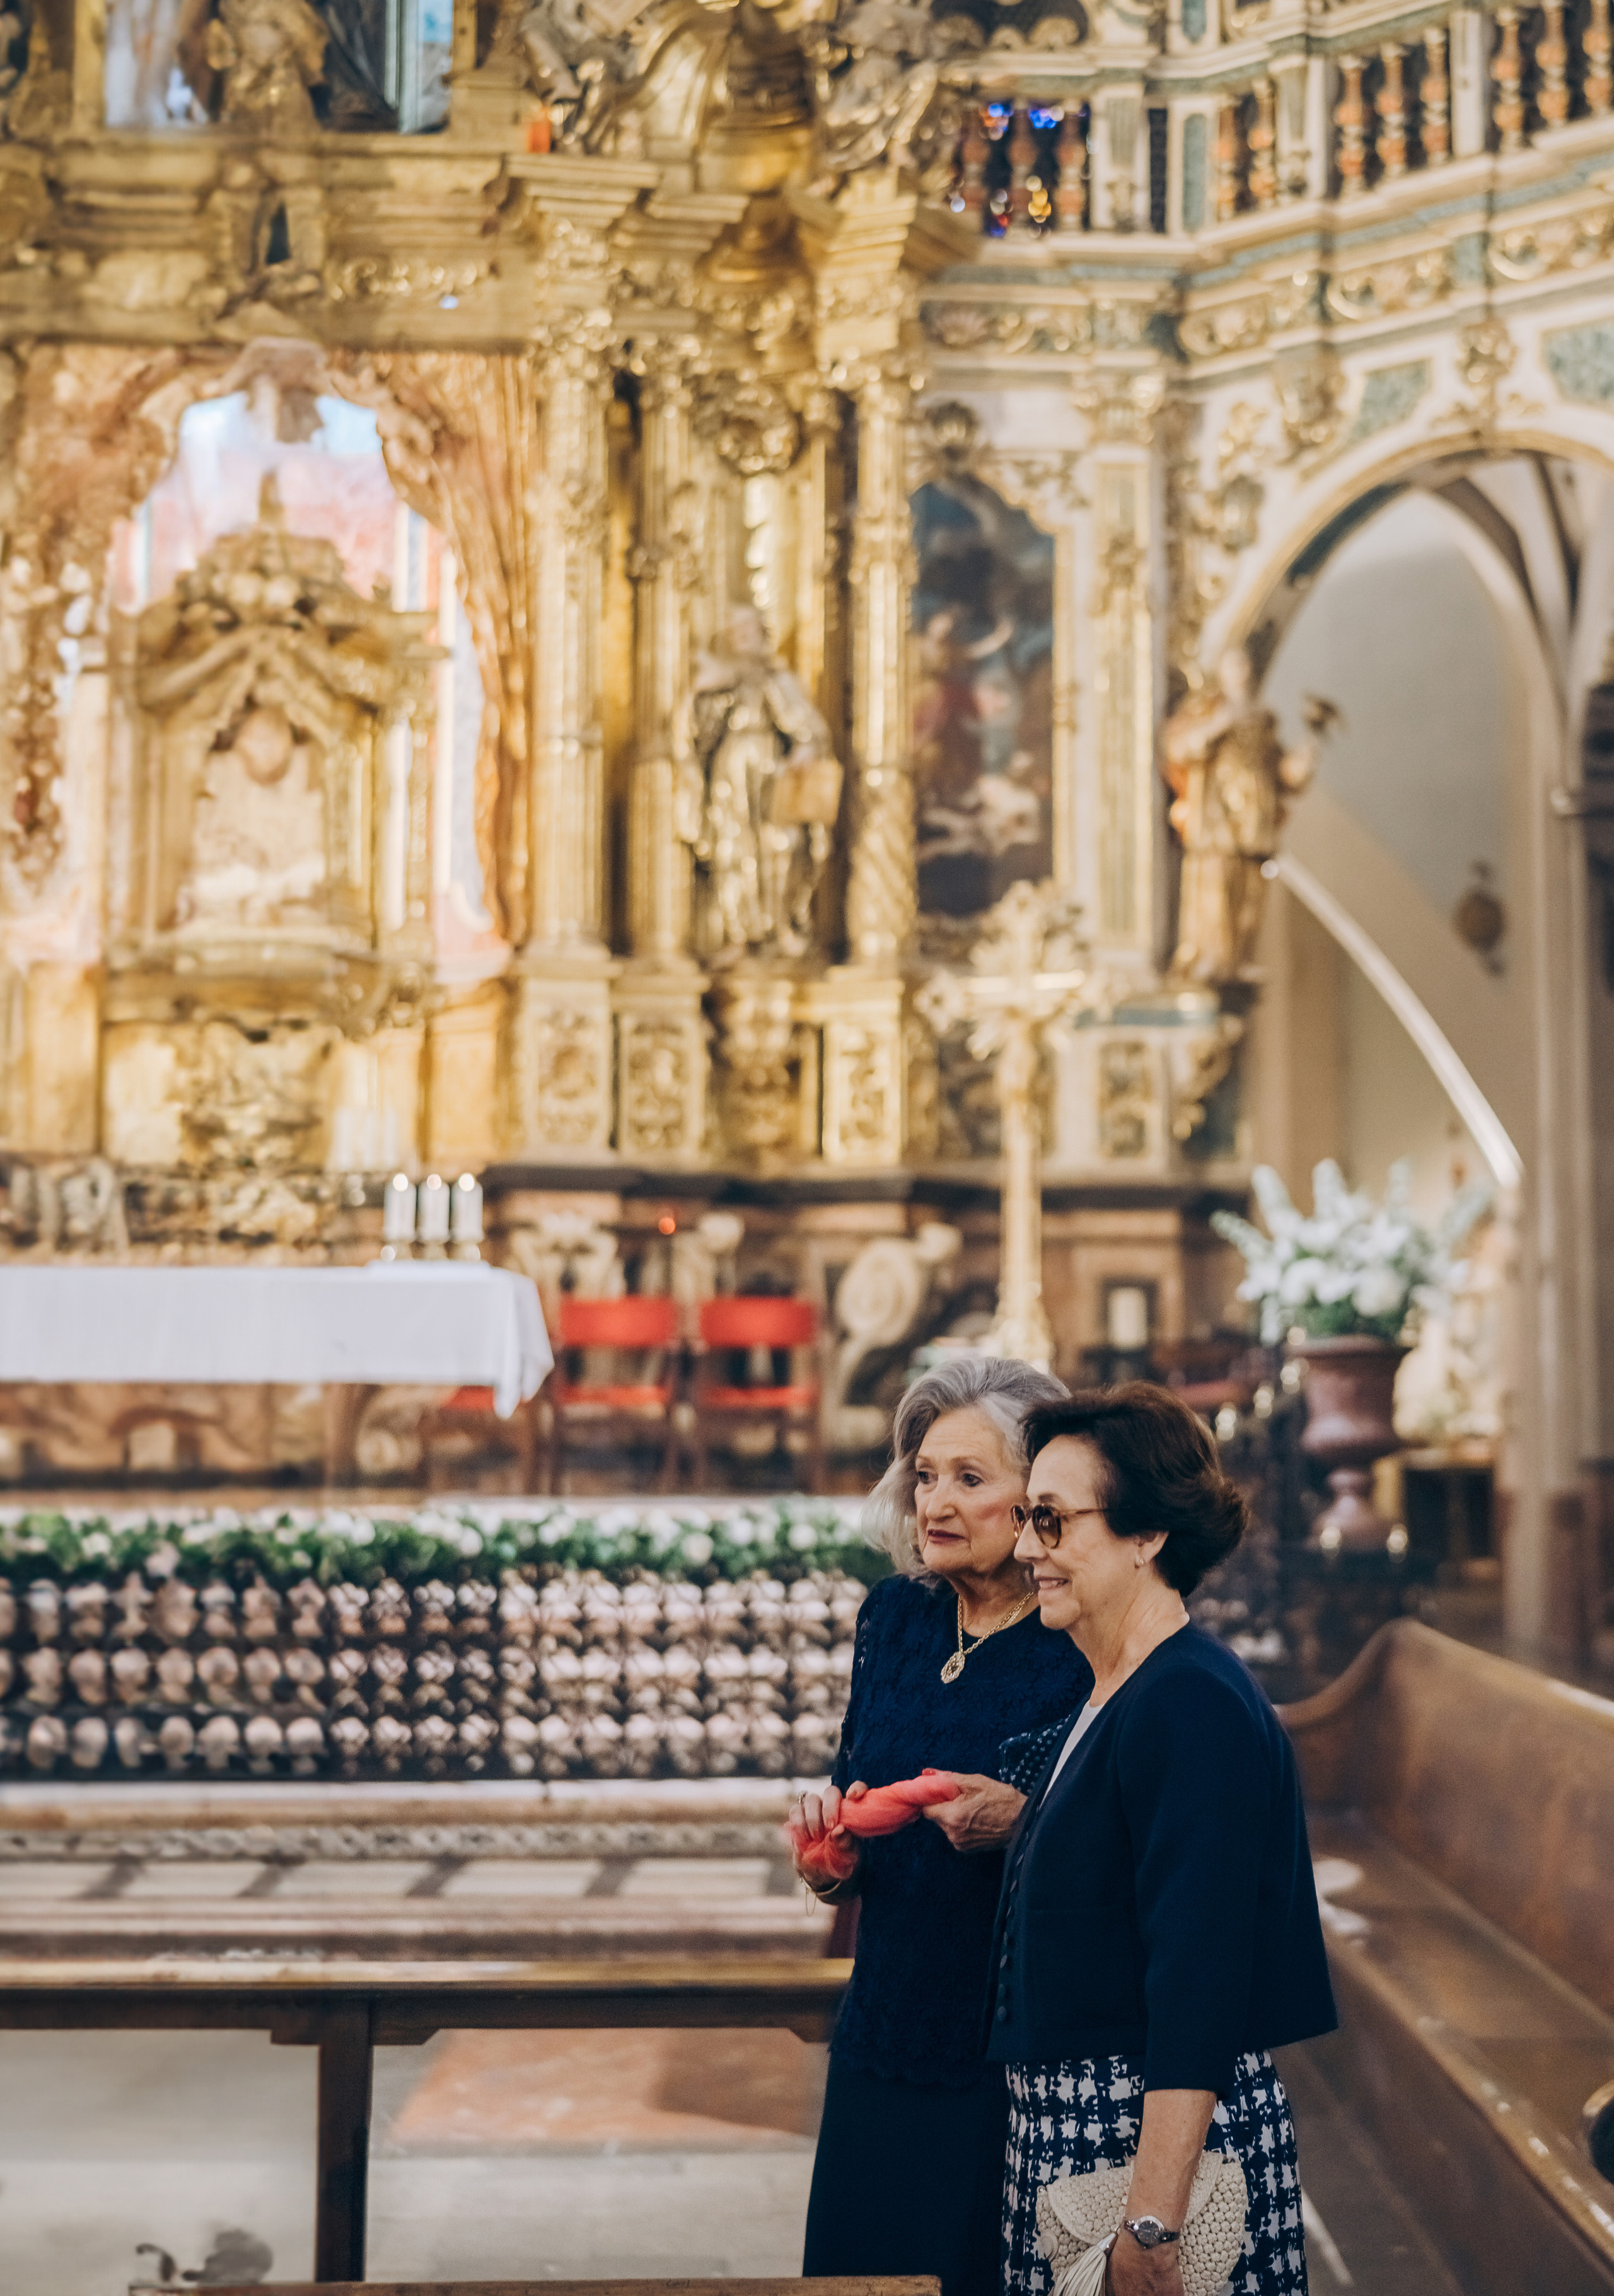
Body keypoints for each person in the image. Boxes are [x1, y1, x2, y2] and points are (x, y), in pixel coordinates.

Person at [990, 1383, 1337, 2296]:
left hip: (1154, 2157)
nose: (1026, 1548)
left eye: (1053, 1520)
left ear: (1146, 1534)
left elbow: (1200, 1982)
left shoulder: (1189, 1703)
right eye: (1026, 1517)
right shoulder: (1119, 1685)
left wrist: (1151, 2228)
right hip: (1086, 2135)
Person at [791, 1355, 1093, 2296]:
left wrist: (1024, 1822)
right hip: (883, 2021)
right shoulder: (896, 1618)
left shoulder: (1076, 1637)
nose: (937, 1502)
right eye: (925, 1475)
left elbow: (1123, 1833)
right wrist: (833, 1861)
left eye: (970, 1477)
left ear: (1039, 1500)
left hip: (1009, 2048)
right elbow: (856, 1799)